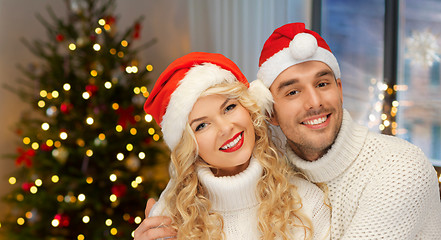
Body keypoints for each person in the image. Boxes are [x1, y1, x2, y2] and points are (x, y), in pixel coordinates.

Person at [255, 22, 441, 239]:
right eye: (293, 92)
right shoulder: (275, 182)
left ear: (339, 90)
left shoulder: (401, 166)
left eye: (322, 84)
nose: (314, 102)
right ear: (271, 114)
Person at [134, 52, 331, 240]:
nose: (225, 128)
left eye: (229, 107)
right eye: (202, 125)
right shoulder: (169, 218)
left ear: (249, 110)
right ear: (189, 146)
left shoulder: (308, 203)